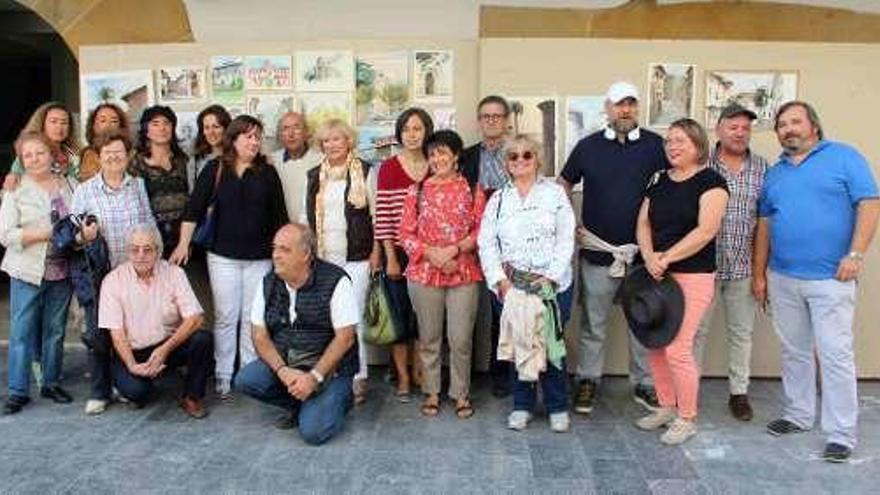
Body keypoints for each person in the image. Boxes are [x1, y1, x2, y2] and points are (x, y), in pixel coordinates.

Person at [755, 101, 880, 463]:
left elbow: (869, 204)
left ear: (814, 126)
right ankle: (798, 414)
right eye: (781, 125)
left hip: (831, 278)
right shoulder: (775, 173)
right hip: (783, 277)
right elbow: (764, 225)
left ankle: (842, 432)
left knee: (835, 354)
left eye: (795, 122)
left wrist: (855, 255)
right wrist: (760, 273)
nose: (788, 129)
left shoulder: (843, 157)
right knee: (794, 351)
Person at [558, 81, 667, 414]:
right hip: (597, 253)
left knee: (643, 323)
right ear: (607, 107)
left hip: (642, 256)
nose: (625, 110)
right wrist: (568, 223)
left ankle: (644, 383)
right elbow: (564, 182)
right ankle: (588, 379)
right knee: (594, 323)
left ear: (638, 107)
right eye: (619, 104)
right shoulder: (588, 146)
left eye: (631, 104)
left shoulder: (655, 146)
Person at [172, 115, 288, 399]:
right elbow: (193, 210)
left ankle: (247, 372)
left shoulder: (268, 173)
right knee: (225, 316)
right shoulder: (215, 169)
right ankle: (224, 373)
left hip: (259, 258)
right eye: (248, 136)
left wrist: (281, 254)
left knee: (252, 317)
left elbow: (279, 217)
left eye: (258, 137)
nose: (254, 141)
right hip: (222, 257)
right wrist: (183, 244)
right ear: (233, 139)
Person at [634, 118, 728, 445]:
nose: (673, 147)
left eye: (681, 141)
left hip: (693, 276)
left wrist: (666, 257)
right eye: (669, 141)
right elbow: (643, 223)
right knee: (656, 344)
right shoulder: (659, 181)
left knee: (677, 348)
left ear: (698, 146)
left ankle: (687, 417)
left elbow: (705, 231)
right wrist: (649, 256)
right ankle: (666, 406)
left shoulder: (712, 183)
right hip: (657, 273)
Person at [477, 134, 576, 432]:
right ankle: (522, 405)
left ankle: (557, 406)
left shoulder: (555, 194)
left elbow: (566, 238)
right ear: (506, 163)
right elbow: (486, 243)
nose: (520, 161)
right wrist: (499, 281)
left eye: (527, 155)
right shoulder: (498, 198)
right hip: (512, 286)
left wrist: (552, 277)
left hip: (552, 284)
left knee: (550, 343)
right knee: (520, 343)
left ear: (537, 159)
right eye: (513, 156)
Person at [235, 223, 359, 445]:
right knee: (246, 380)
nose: (276, 256)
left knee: (313, 433)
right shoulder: (269, 282)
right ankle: (301, 402)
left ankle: (339, 399)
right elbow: (259, 334)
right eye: (274, 249)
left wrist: (313, 378)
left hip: (330, 372)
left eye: (284, 250)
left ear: (305, 255)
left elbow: (345, 338)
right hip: (289, 364)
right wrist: (282, 371)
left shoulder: (336, 281)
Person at [399, 129, 485, 419]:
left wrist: (453, 251)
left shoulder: (472, 188)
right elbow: (405, 234)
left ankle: (461, 394)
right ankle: (432, 391)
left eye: (443, 152)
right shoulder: (417, 191)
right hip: (424, 272)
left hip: (463, 270)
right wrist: (433, 254)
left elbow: (480, 230)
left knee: (460, 339)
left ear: (456, 155)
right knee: (429, 337)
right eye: (432, 153)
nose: (437, 158)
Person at [692, 103, 769, 421]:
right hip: (703, 267)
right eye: (733, 126)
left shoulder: (763, 168)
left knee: (741, 333)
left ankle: (739, 393)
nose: (740, 133)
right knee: (696, 332)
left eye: (745, 128)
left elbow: (765, 222)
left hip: (742, 266)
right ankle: (688, 392)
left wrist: (760, 271)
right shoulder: (702, 166)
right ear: (719, 129)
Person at [72, 130, 155, 414]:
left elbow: (149, 223)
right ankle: (99, 391)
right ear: (98, 156)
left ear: (128, 154)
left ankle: (122, 382)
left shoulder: (138, 186)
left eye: (119, 152)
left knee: (127, 331)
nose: (114, 157)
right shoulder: (85, 190)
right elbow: (72, 234)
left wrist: (158, 259)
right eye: (107, 153)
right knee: (98, 334)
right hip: (100, 276)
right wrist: (84, 235)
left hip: (134, 272)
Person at [99, 223, 212, 418]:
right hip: (132, 351)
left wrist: (164, 350)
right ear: (128, 252)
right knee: (138, 393)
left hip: (167, 346)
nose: (140, 255)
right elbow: (116, 334)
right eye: (135, 250)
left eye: (147, 249)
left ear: (158, 251)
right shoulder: (113, 281)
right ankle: (127, 382)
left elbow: (195, 318)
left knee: (203, 339)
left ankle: (192, 397)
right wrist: (133, 365)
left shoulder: (174, 274)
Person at [301, 119, 376, 404]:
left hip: (355, 259)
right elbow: (302, 217)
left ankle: (358, 378)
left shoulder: (364, 172)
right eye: (326, 141)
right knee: (326, 322)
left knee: (351, 320)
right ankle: (328, 376)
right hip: (322, 259)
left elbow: (376, 217)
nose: (332, 145)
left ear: (349, 142)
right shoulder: (313, 176)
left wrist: (376, 254)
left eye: (337, 139)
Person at [1, 132, 75, 414]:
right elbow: (5, 234)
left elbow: (77, 217)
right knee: (22, 332)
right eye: (27, 155)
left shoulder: (68, 184)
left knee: (55, 331)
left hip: (62, 268)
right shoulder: (16, 189)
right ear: (21, 160)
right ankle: (18, 391)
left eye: (39, 153)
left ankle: (51, 383)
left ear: (51, 153)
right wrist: (43, 234)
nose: (34, 159)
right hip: (26, 270)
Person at [373, 107, 434, 402]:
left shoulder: (437, 164)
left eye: (418, 128)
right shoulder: (388, 168)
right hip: (397, 252)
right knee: (398, 318)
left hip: (429, 254)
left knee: (425, 319)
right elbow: (382, 216)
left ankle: (424, 373)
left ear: (427, 132)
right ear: (399, 133)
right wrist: (390, 256)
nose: (412, 134)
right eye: (407, 129)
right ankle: (403, 378)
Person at [458, 95, 511, 397]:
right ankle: (463, 373)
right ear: (479, 122)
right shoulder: (465, 156)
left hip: (506, 241)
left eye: (496, 116)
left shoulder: (517, 154)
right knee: (465, 307)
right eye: (485, 116)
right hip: (469, 238)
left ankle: (500, 372)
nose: (491, 121)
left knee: (501, 308)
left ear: (506, 121)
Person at [128, 105, 190, 258]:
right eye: (155, 123)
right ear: (146, 130)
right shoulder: (136, 163)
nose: (162, 128)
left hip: (185, 237)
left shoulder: (184, 160)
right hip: (151, 238)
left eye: (166, 123)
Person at [4, 102, 80, 191]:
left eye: (64, 122)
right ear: (42, 124)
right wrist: (13, 176)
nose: (59, 127)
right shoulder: (31, 154)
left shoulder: (75, 154)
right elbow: (12, 180)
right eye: (53, 121)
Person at [271, 111, 322, 222]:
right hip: (282, 231)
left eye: (296, 127)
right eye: (285, 128)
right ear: (280, 135)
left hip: (312, 230)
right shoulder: (272, 161)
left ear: (306, 132)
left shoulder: (320, 160)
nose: (291, 134)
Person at [79, 103, 130, 182]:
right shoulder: (88, 154)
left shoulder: (131, 154)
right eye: (103, 121)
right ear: (93, 126)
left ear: (121, 125)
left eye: (114, 121)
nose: (108, 125)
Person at [189, 105, 231, 190]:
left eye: (216, 126)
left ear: (226, 128)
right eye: (207, 127)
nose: (211, 132)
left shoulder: (237, 158)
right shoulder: (196, 160)